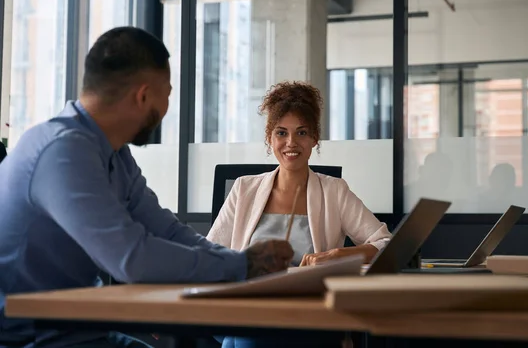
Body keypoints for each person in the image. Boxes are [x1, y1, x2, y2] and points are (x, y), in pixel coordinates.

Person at [0, 27, 293, 348]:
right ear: (143, 96)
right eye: (167, 93)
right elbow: (132, 258)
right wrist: (240, 265)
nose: (167, 108)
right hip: (25, 338)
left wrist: (239, 262)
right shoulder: (62, 153)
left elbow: (165, 229)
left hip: (76, 330)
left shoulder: (113, 154)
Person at [207, 81, 391, 348]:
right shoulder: (244, 189)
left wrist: (337, 256)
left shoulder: (334, 191)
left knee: (243, 340)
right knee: (246, 334)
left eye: (301, 132)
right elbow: (213, 254)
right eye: (281, 132)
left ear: (315, 138)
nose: (291, 143)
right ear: (270, 138)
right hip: (252, 307)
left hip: (311, 314)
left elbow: (386, 243)